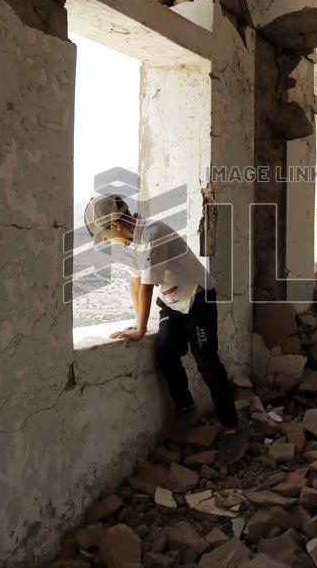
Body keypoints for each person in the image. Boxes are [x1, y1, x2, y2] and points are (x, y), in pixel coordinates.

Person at [84, 193, 249, 464]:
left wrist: (139, 332)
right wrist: (138, 322)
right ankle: (186, 407)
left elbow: (147, 287)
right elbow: (135, 283)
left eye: (104, 236)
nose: (107, 242)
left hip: (197, 299)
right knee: (164, 351)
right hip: (172, 303)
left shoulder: (152, 234)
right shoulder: (128, 243)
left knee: (207, 362)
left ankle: (232, 426)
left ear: (114, 226)